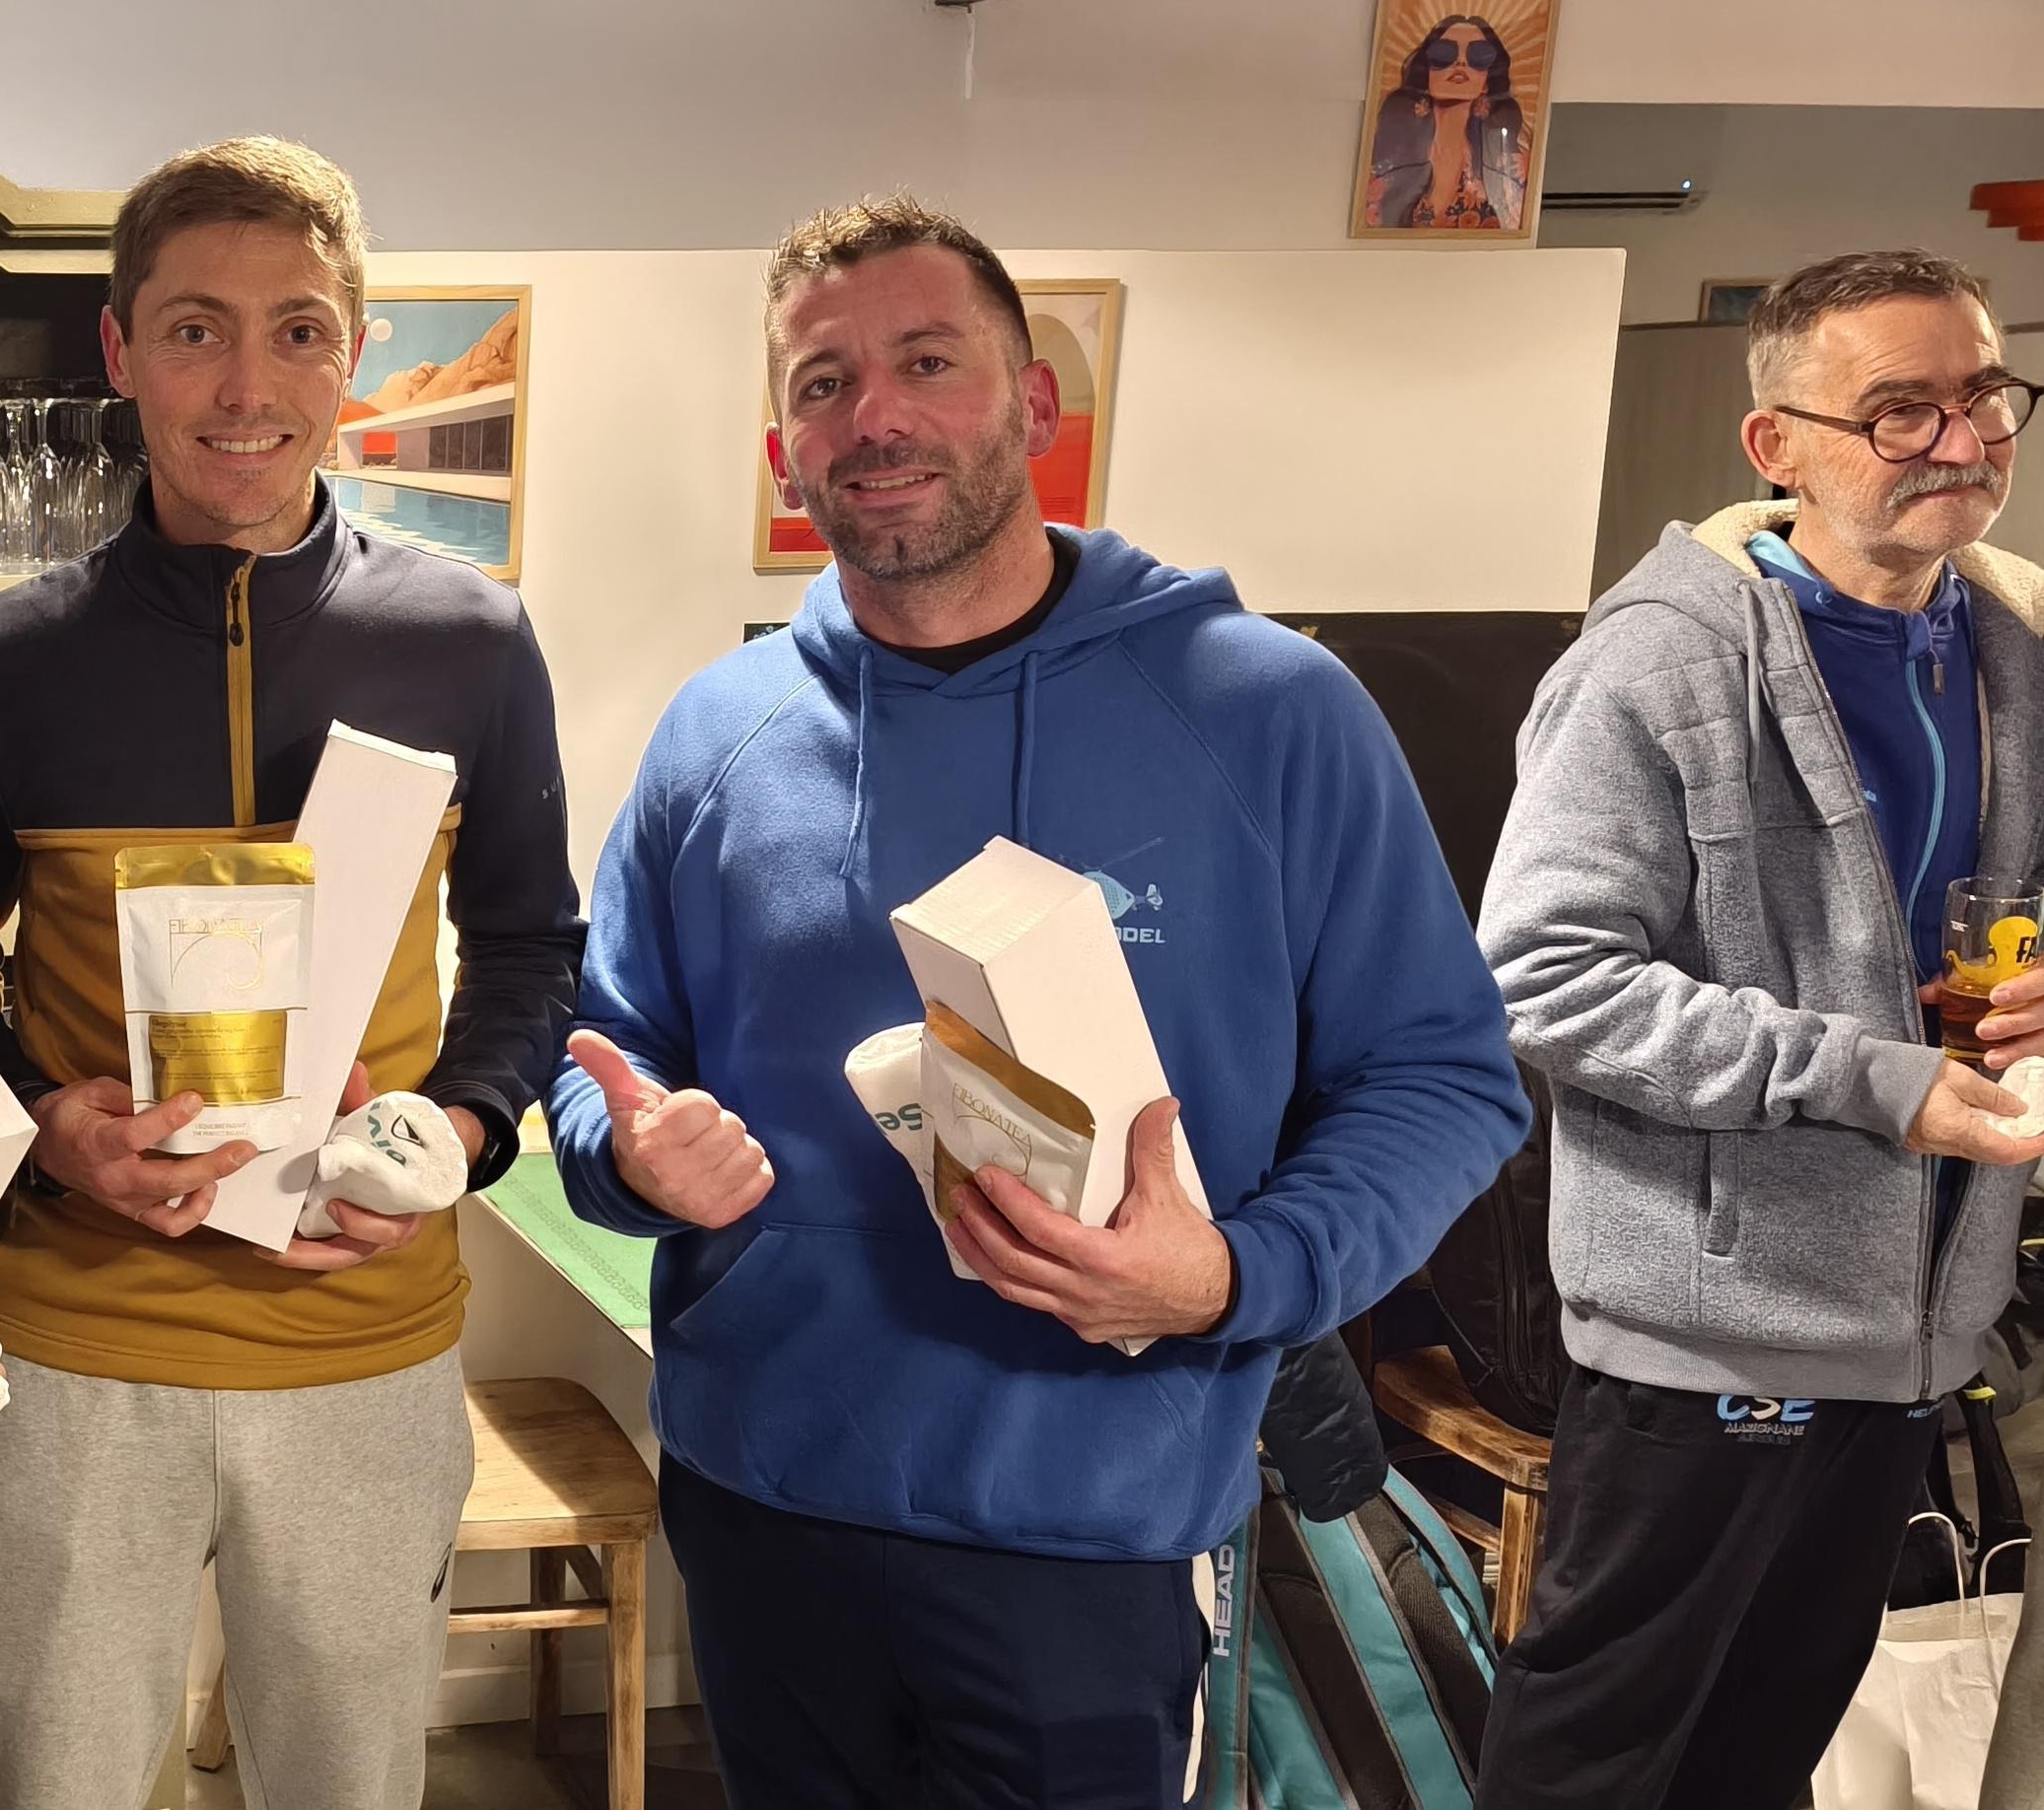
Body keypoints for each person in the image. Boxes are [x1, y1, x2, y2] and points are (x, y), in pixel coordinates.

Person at [550, 194, 1525, 1808]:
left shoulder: (1272, 712)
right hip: (765, 1499)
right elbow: (608, 1054)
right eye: (824, 383)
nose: (876, 416)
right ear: (784, 453)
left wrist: (1236, 1274)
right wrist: (630, 1157)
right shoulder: (713, 735)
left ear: (1037, 404)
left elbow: (1443, 1079)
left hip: (1095, 1524)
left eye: (929, 361)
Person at [0, 136, 585, 1810]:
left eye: (299, 332)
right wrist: (47, 1127)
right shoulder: (0, 664)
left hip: (364, 1349)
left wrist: (456, 1134)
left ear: (355, 356)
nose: (248, 387)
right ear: (120, 349)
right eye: (196, 329)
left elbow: (530, 948)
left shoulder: (472, 643)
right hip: (74, 1356)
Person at [1473, 249, 2044, 1809]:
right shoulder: (1658, 660)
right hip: (1707, 1340)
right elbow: (1542, 973)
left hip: (1915, 1336)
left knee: (1757, 1764)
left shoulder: (2014, 648)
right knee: (1598, 1773)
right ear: (1776, 444)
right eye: (1901, 409)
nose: (1961, 440)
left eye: (1985, 396)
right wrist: (1873, 1083)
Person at [1362, 14, 1534, 232]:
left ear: (1486, 82)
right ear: (1426, 73)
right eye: (1444, 53)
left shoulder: (1511, 164)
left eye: (1478, 56)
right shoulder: (1385, 159)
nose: (1460, 62)